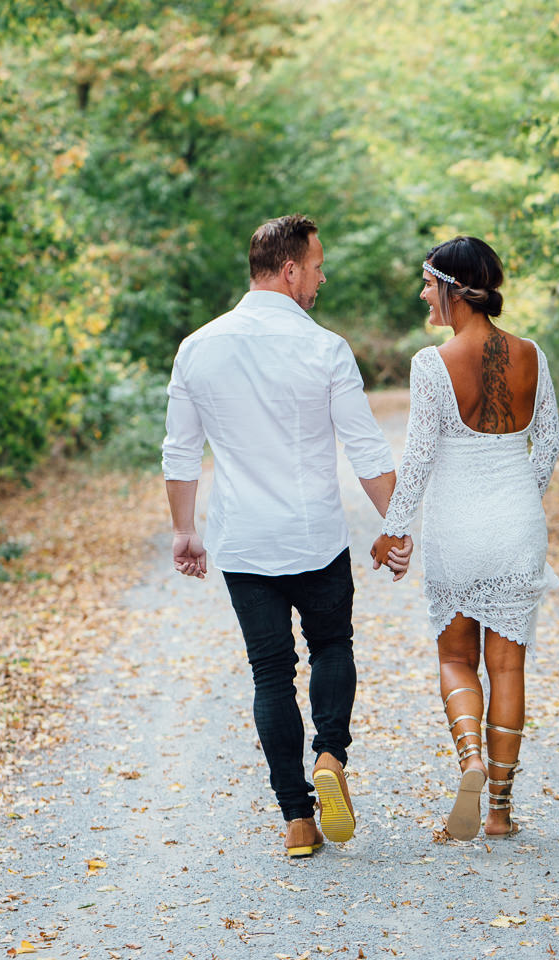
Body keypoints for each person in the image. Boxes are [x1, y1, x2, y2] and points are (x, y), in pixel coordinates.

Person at [161, 214, 413, 858]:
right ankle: (331, 753)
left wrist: (185, 532)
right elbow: (365, 448)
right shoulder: (324, 348)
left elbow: (180, 453)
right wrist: (396, 524)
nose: (323, 276)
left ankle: (298, 821)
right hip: (315, 539)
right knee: (332, 646)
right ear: (291, 267)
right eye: (318, 264)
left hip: (244, 543)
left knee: (270, 674)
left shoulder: (197, 347)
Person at [370, 236, 559, 841]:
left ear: (454, 287)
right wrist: (518, 500)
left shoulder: (432, 364)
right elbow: (549, 445)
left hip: (457, 529)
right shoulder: (533, 354)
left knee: (456, 658)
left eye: (428, 283)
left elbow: (421, 457)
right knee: (509, 669)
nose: (423, 294)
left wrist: (394, 529)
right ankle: (501, 810)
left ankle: (470, 761)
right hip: (517, 527)